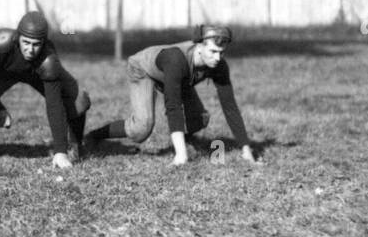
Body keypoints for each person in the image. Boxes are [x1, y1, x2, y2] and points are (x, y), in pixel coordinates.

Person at [84, 24, 259, 165]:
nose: (218, 58)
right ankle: (93, 136)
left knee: (200, 119)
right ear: (199, 47)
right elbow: (173, 106)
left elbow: (230, 107)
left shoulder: (219, 65)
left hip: (178, 78)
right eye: (213, 51)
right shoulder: (177, 60)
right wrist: (181, 157)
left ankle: (180, 141)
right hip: (144, 69)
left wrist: (246, 150)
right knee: (141, 129)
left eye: (221, 53)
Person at [0, 11, 91, 168]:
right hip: (5, 74)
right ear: (17, 37)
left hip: (37, 75)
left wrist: (60, 151)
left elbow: (54, 104)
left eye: (36, 44)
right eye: (26, 42)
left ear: (44, 43)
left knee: (79, 100)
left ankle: (74, 146)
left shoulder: (49, 59)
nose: (30, 50)